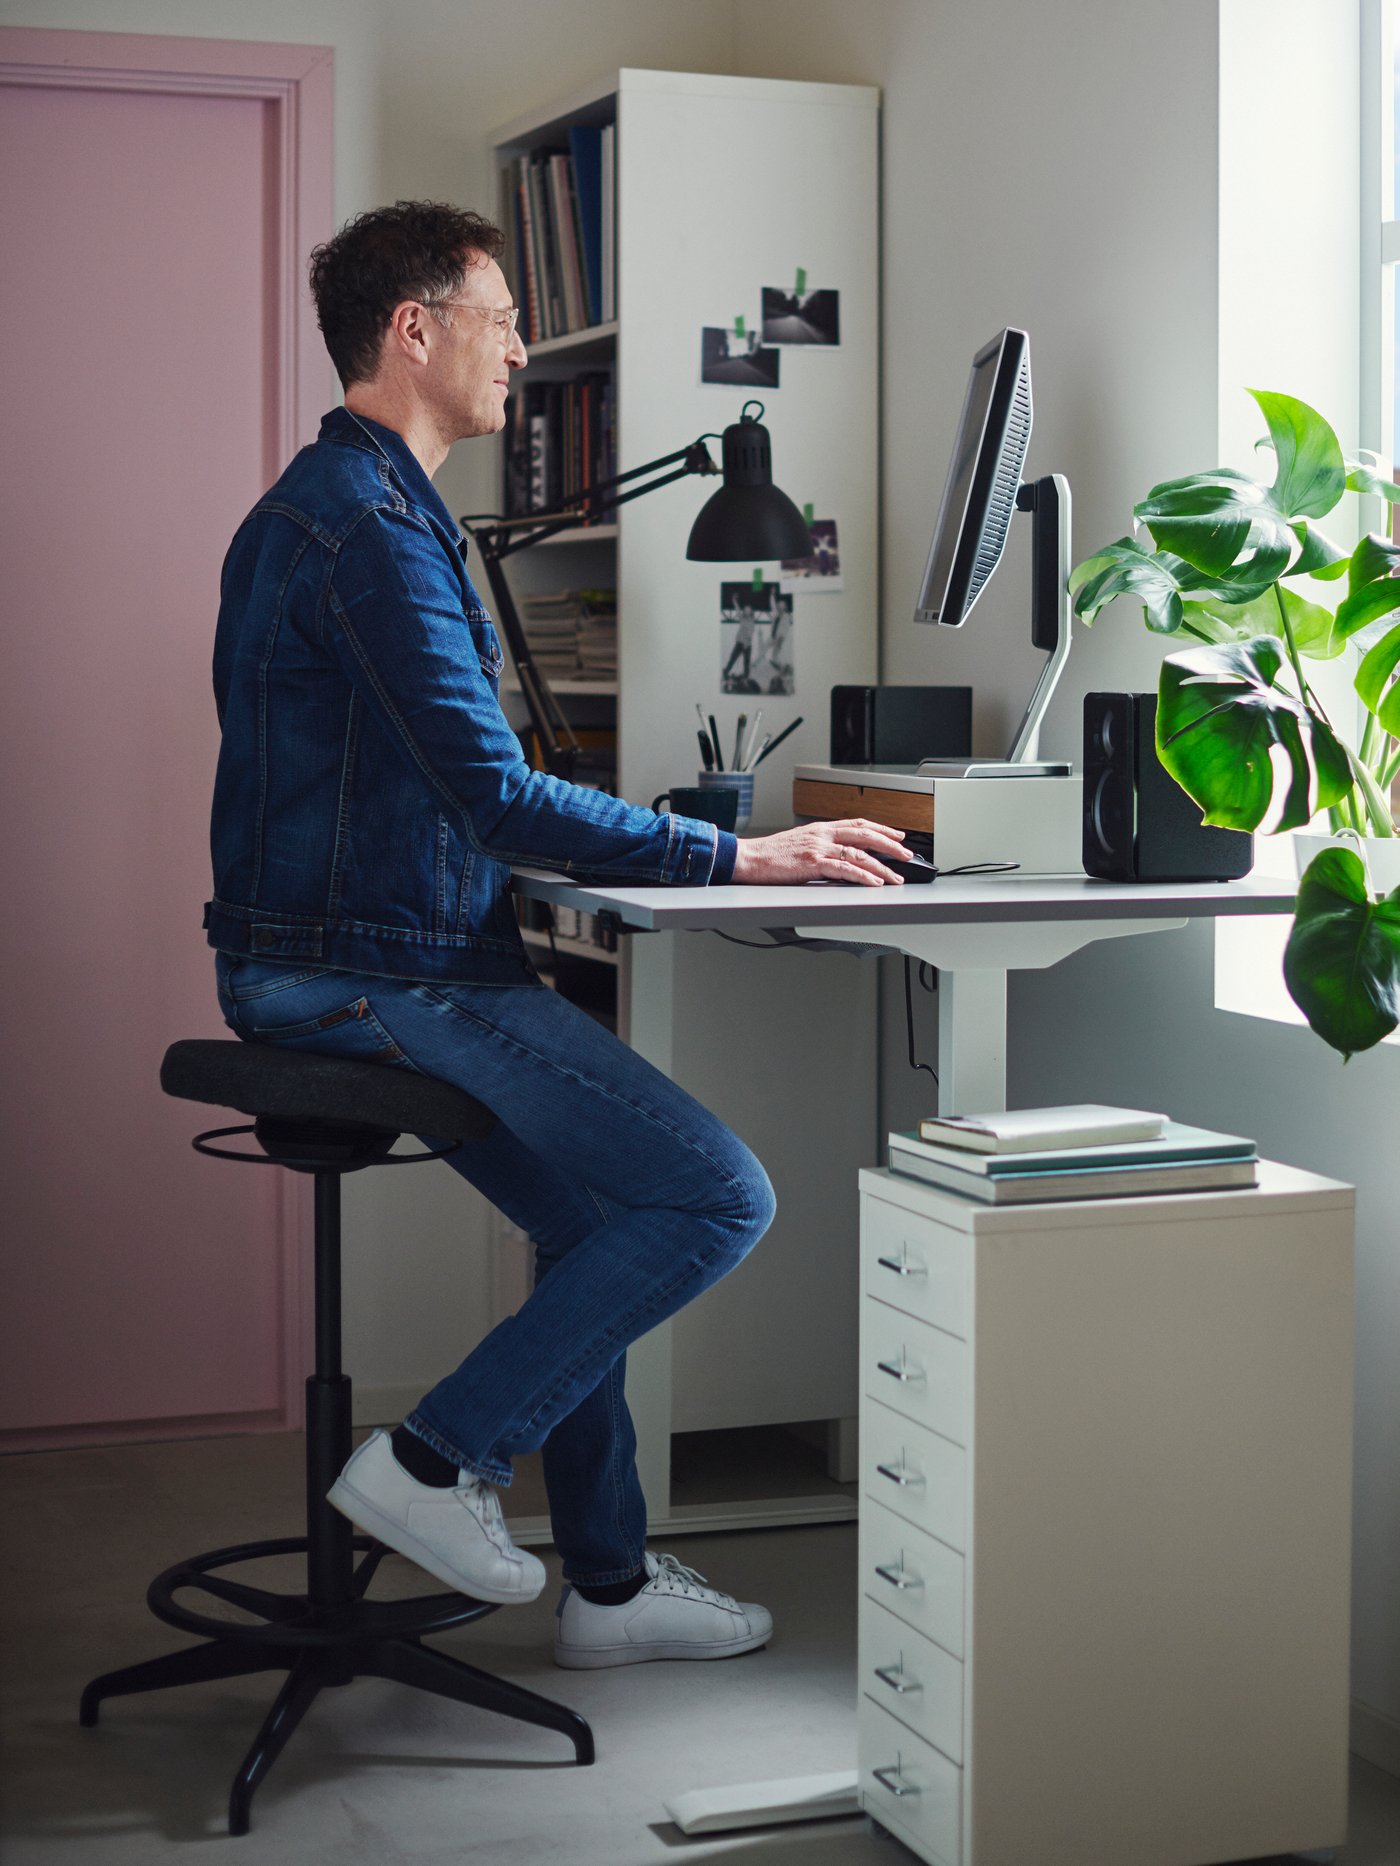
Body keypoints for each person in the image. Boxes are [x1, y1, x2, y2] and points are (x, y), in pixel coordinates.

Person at [206, 200, 908, 1670]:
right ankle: (432, 1459)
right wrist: (738, 851)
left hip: (352, 956)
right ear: (416, 331)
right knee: (718, 1194)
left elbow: (453, 791)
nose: (522, 346)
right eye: (501, 314)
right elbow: (494, 797)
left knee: (594, 1217)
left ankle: (606, 1583)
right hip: (362, 975)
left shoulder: (353, 510)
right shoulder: (369, 530)